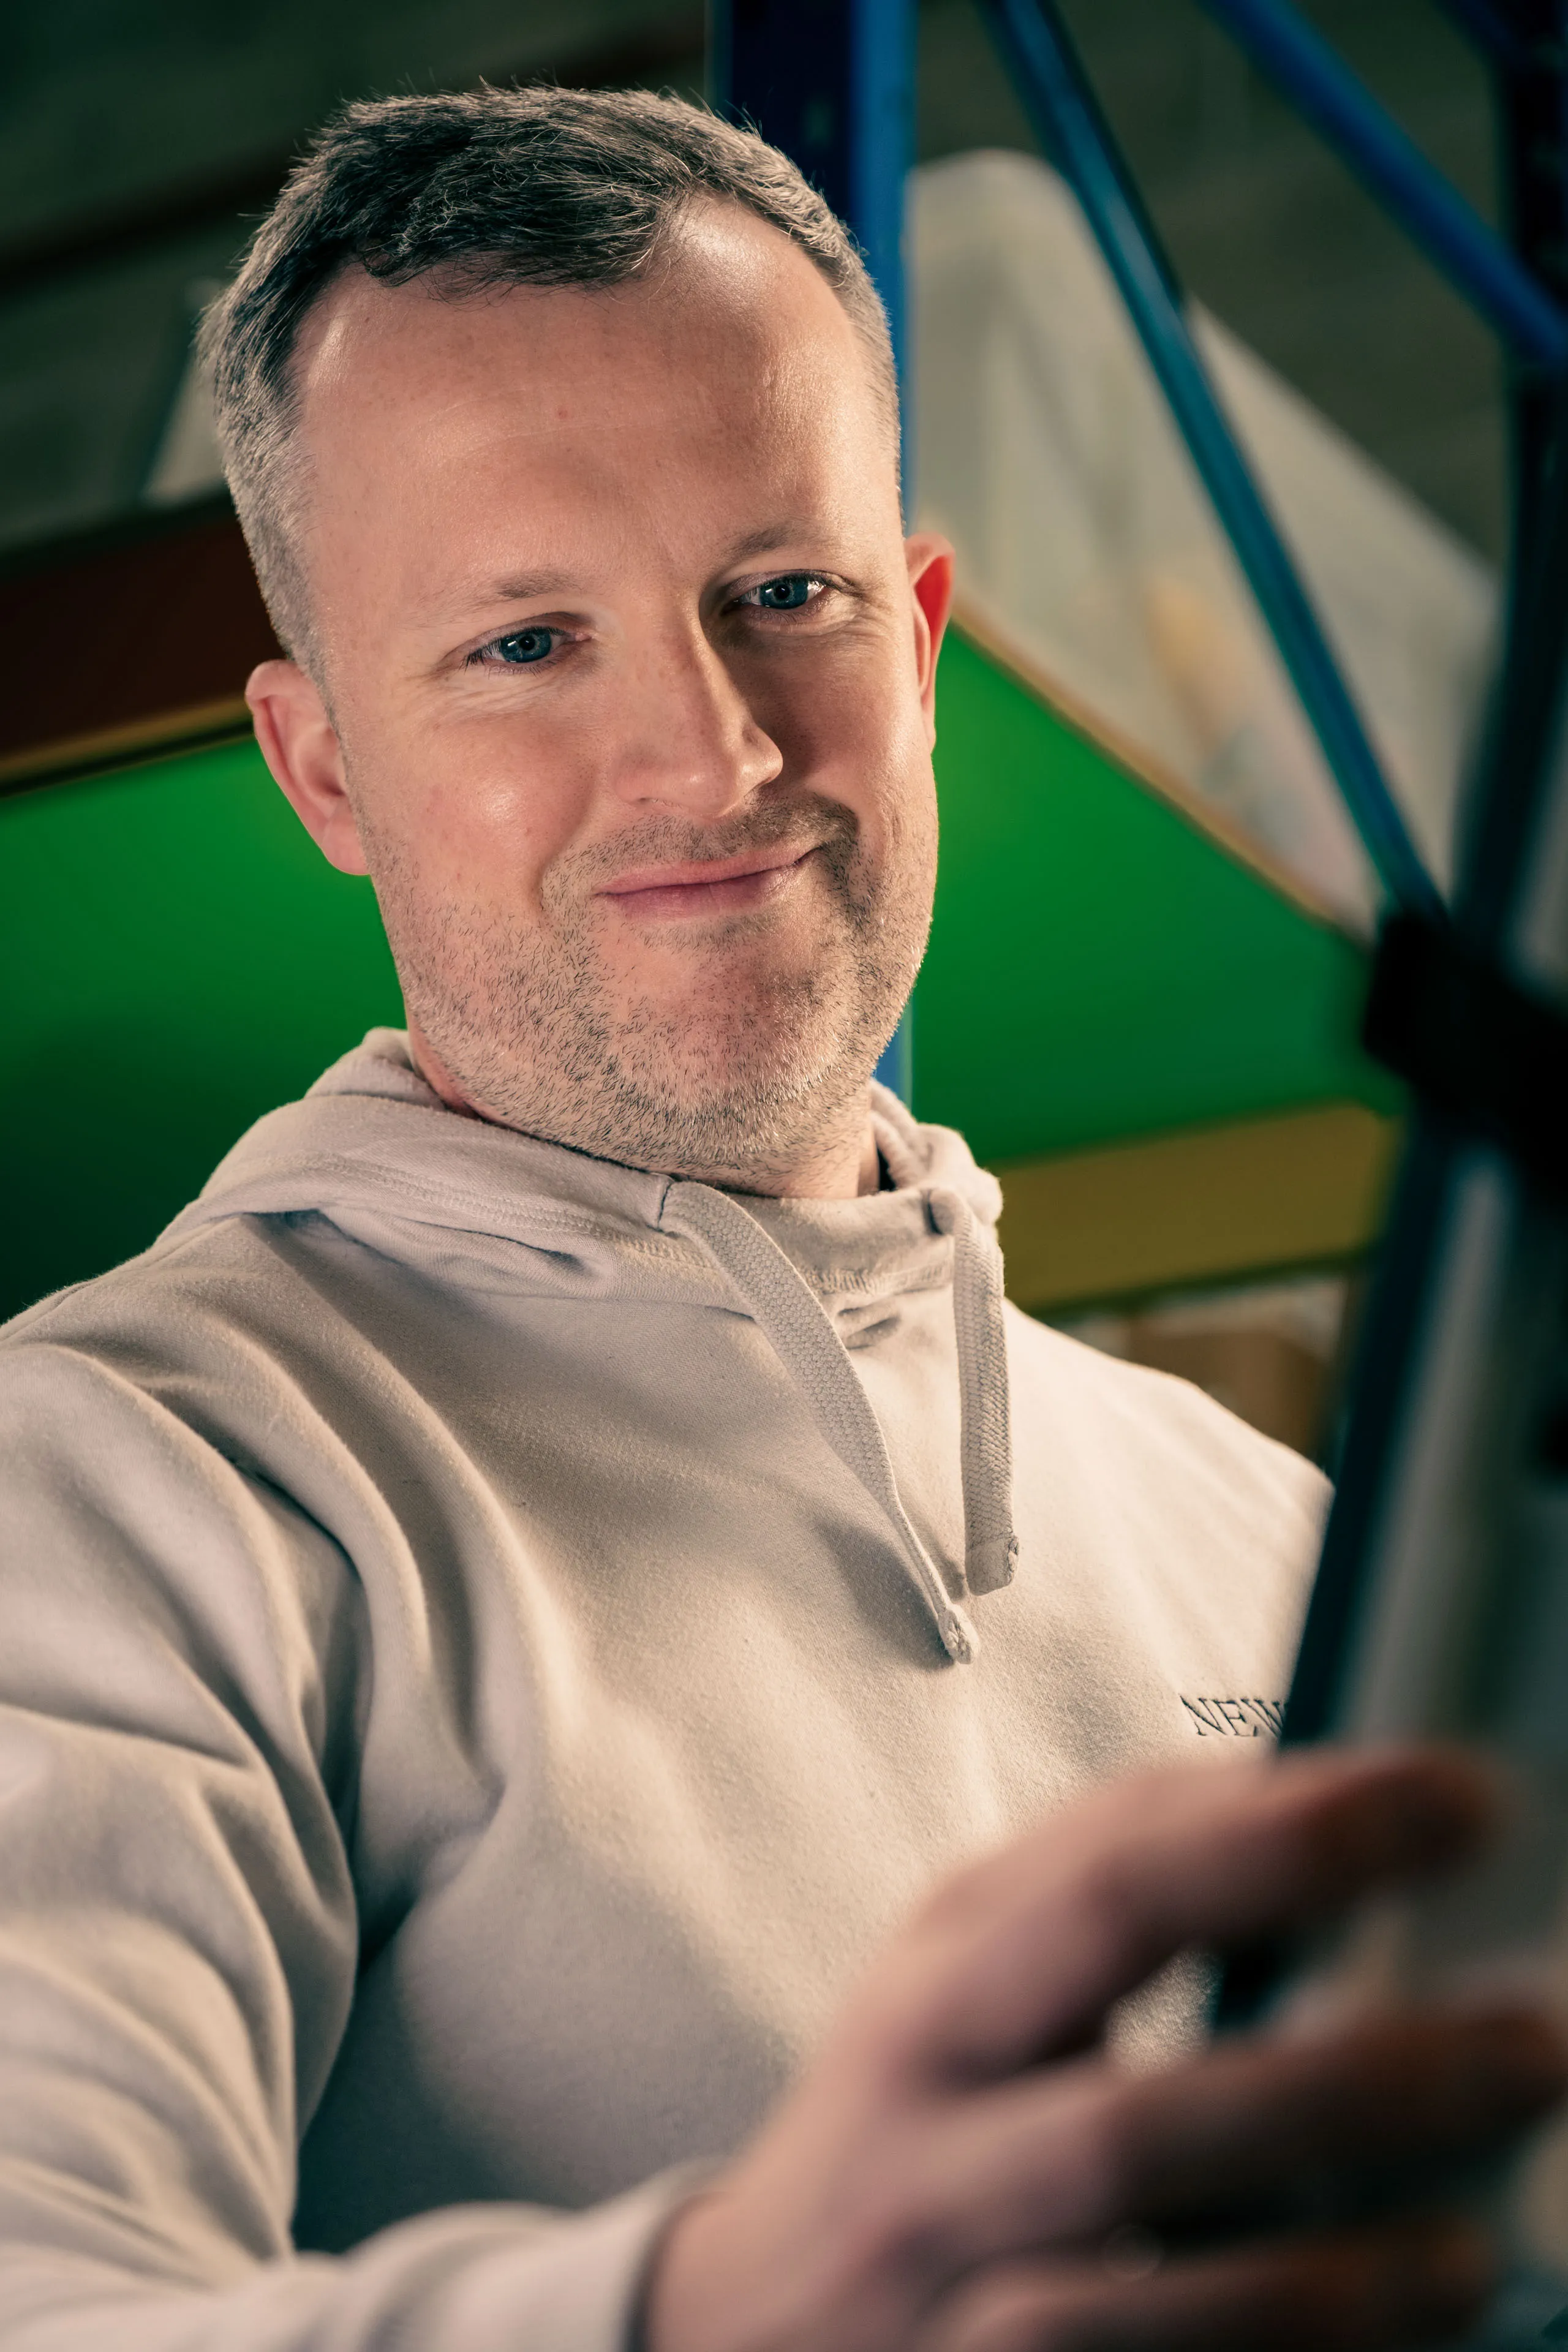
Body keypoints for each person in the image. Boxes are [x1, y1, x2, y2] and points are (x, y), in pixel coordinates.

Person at [0, 85, 1560, 2352]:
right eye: (527, 642)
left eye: (783, 593)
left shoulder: (1293, 1523)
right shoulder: (128, 1477)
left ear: (917, 637)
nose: (711, 756)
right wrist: (704, 2306)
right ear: (322, 764)